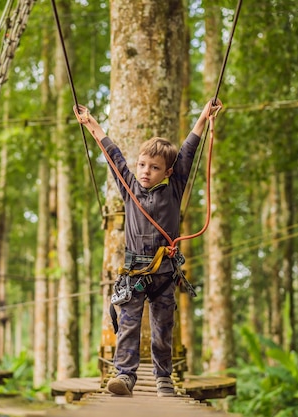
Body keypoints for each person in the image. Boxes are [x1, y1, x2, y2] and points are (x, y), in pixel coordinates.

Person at [74, 98, 222, 397]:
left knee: (162, 329)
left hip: (165, 274)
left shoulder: (175, 186)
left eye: (154, 168)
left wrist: (203, 118)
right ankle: (125, 376)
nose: (145, 171)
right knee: (128, 327)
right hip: (134, 274)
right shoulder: (129, 186)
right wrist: (91, 123)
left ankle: (163, 378)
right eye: (142, 165)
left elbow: (189, 151)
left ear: (167, 172)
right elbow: (112, 154)